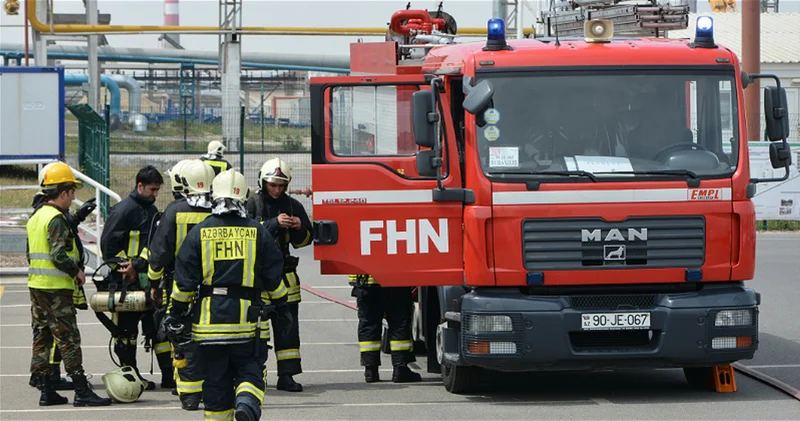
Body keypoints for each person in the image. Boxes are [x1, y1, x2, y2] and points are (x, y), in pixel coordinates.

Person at [165, 169, 287, 421]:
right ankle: (245, 402)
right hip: (247, 324)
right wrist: (282, 306)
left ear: (214, 197)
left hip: (208, 326)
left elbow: (184, 282)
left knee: (216, 383)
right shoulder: (257, 231)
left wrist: (174, 314)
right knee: (249, 371)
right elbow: (274, 277)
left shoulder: (199, 232)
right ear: (243, 197)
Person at [26, 161, 112, 407]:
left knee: (42, 336)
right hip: (55, 288)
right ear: (63, 193)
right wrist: (76, 272)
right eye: (72, 192)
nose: (73, 197)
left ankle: (46, 389)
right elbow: (57, 255)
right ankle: (82, 390)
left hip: (37, 286)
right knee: (68, 338)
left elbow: (31, 254)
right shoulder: (55, 218)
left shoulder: (36, 217)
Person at [147, 159, 216, 411]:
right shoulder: (222, 208)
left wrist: (154, 283)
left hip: (180, 286)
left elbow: (159, 253)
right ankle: (214, 386)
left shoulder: (174, 211)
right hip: (215, 287)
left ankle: (187, 392)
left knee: (182, 337)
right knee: (212, 338)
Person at [245, 157, 313, 392]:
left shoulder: (294, 206)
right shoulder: (252, 204)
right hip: (259, 278)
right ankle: (257, 376)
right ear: (263, 182)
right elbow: (247, 235)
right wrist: (273, 223)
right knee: (257, 330)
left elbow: (305, 241)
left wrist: (299, 227)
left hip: (285, 276)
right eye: (272, 184)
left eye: (281, 185)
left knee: (288, 328)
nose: (277, 189)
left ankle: (287, 375)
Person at [99, 164, 167, 390]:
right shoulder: (123, 211)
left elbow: (153, 246)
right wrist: (125, 266)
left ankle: (168, 376)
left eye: (157, 190)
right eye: (152, 189)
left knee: (157, 329)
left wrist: (139, 265)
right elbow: (108, 249)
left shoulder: (151, 211)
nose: (155, 194)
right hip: (125, 283)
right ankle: (131, 378)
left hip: (148, 281)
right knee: (126, 333)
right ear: (139, 186)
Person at [349, 274, 422, 383]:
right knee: (399, 325)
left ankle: (370, 370)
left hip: (366, 284)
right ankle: (400, 369)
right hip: (396, 282)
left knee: (369, 326)